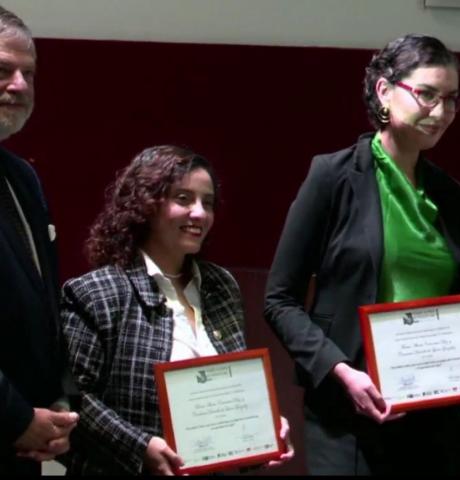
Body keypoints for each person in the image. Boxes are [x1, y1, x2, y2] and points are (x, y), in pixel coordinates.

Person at [264, 34, 460, 475]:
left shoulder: (452, 196)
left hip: (436, 419)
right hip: (348, 415)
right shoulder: (332, 176)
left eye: (452, 99)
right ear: (385, 90)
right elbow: (279, 300)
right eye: (426, 94)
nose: (441, 113)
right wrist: (341, 371)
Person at [61, 145, 293, 475]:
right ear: (145, 205)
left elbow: (233, 386)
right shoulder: (97, 292)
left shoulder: (220, 286)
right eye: (183, 199)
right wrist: (140, 448)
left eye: (207, 202)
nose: (199, 213)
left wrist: (263, 427)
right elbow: (74, 400)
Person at [0, 5, 79, 476]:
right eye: (4, 70)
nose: (20, 86)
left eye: (28, 73)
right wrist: (15, 416)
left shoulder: (22, 177)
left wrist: (58, 406)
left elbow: (45, 308)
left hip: (23, 445)